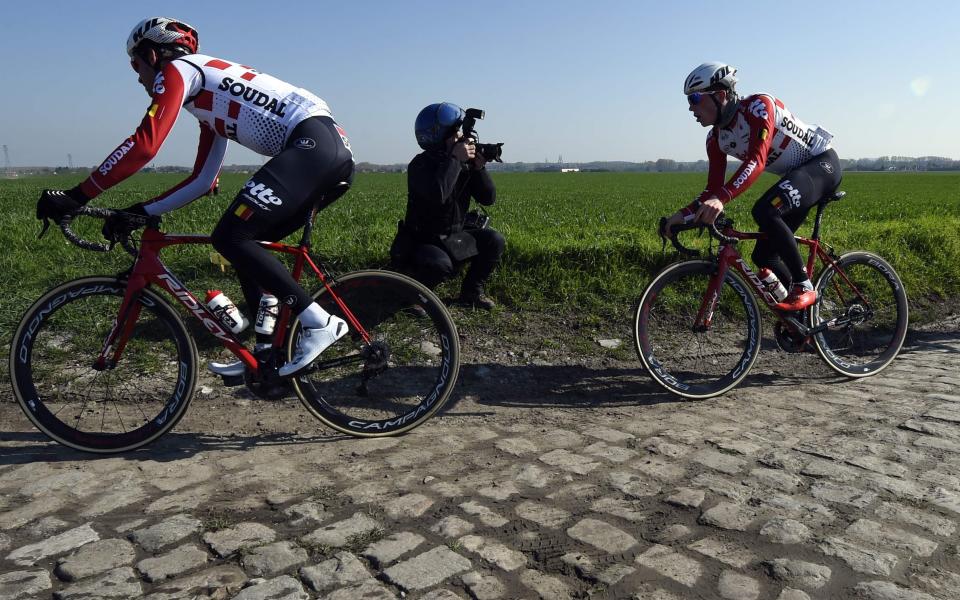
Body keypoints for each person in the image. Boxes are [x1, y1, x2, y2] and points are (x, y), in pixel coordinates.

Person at [34, 17, 355, 378]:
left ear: (152, 55)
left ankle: (318, 321)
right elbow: (203, 180)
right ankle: (268, 360)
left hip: (313, 146)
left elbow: (144, 145)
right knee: (247, 249)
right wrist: (141, 211)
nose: (138, 77)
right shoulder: (210, 96)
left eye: (136, 66)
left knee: (230, 237)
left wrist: (77, 196)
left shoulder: (178, 71)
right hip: (326, 149)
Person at [661, 62, 842, 311]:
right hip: (796, 176)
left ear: (720, 95)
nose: (690, 107)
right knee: (764, 257)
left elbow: (756, 161)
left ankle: (804, 286)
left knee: (765, 210)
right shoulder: (716, 139)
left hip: (820, 164)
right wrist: (681, 216)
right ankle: (805, 317)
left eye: (694, 98)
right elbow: (712, 189)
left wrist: (722, 199)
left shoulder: (758, 107)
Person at [390, 102, 505, 310]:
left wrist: (479, 169)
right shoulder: (420, 165)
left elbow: (488, 198)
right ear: (439, 136)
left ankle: (471, 292)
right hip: (423, 241)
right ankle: (414, 297)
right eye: (456, 132)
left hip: (452, 236)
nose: (461, 137)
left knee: (494, 240)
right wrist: (455, 160)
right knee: (440, 266)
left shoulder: (462, 164)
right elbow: (438, 194)